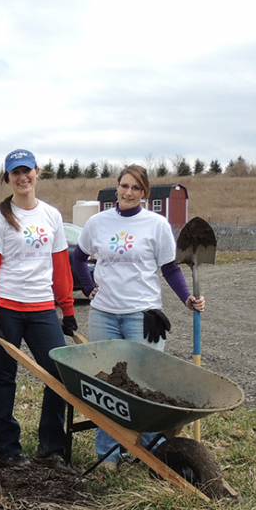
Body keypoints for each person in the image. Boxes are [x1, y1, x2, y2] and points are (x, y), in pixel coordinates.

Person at [72, 164, 205, 470]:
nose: (128, 192)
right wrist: (89, 286)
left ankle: (154, 454)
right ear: (116, 188)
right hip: (104, 313)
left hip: (141, 315)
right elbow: (79, 259)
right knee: (106, 384)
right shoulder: (97, 223)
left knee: (143, 386)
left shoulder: (156, 225)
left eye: (135, 188)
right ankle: (108, 455)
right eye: (124, 186)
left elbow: (169, 267)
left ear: (144, 193)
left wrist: (186, 298)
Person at [0, 149, 76, 469]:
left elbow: (60, 266)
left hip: (42, 308)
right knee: (4, 376)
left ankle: (50, 445)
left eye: (27, 171)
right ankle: (8, 447)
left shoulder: (51, 215)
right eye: (15, 173)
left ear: (37, 172)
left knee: (59, 374)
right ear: (8, 178)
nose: (22, 178)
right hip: (7, 308)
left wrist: (68, 309)